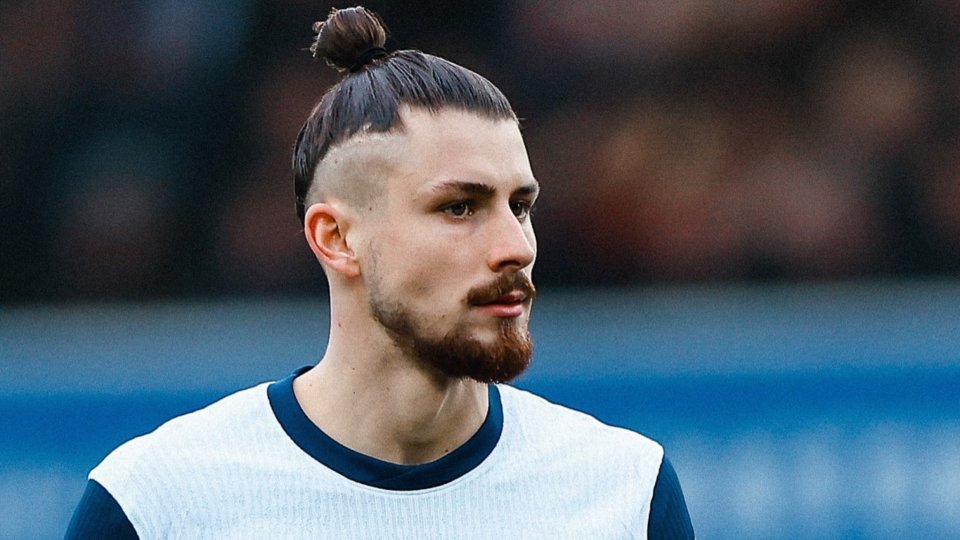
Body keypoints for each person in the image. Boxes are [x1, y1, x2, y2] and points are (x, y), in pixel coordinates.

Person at [66, 6, 694, 538]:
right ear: (336, 238)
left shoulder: (624, 494)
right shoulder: (156, 504)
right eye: (459, 207)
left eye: (520, 206)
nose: (515, 247)